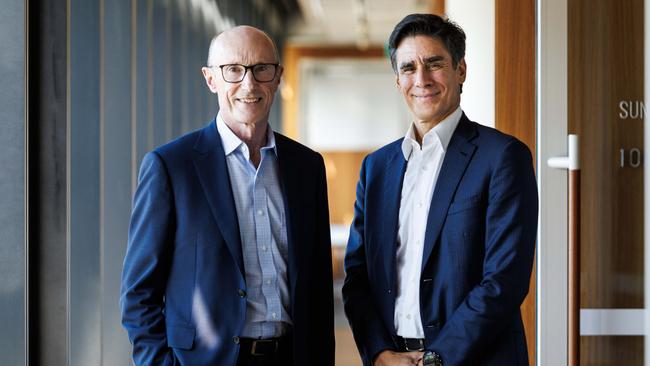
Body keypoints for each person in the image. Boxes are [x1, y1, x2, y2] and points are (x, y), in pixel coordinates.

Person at [120, 25, 334, 366]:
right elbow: (138, 293)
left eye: (262, 69)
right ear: (211, 79)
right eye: (233, 70)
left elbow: (318, 285)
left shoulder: (307, 166)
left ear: (278, 77)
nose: (249, 84)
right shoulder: (171, 166)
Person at [343, 14, 538, 366]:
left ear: (460, 70)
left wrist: (436, 359)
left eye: (434, 64)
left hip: (479, 358)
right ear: (397, 80)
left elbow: (504, 281)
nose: (422, 79)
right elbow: (357, 275)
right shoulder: (377, 168)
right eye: (408, 68)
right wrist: (379, 353)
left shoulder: (503, 157)